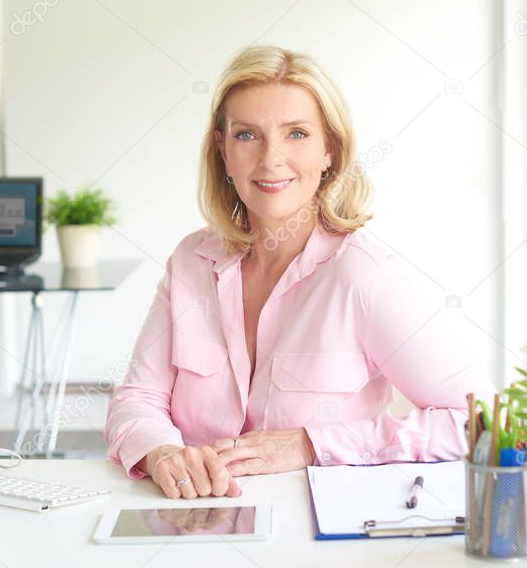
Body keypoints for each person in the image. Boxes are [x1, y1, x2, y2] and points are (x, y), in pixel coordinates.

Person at [104, 45, 495, 500]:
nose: (271, 160)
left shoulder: (361, 275)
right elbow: (137, 399)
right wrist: (163, 453)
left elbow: (480, 420)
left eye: (296, 134)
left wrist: (312, 444)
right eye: (248, 135)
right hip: (194, 525)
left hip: (317, 545)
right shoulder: (191, 260)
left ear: (329, 148)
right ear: (223, 152)